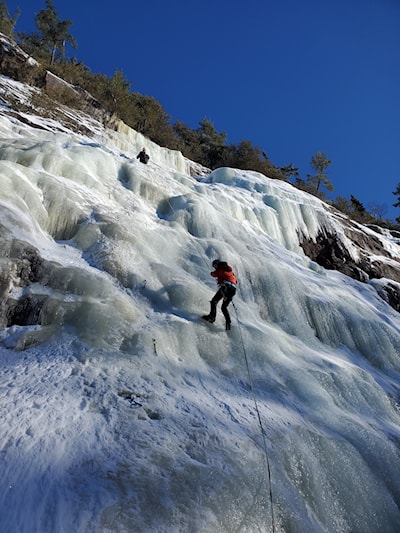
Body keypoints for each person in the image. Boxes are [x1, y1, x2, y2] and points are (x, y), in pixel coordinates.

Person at [202, 259, 237, 330]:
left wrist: (212, 273)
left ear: (217, 264)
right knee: (224, 307)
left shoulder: (220, 268)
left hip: (225, 287)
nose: (214, 267)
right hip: (233, 289)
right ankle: (228, 323)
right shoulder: (230, 272)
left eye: (214, 265)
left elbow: (214, 274)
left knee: (214, 301)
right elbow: (235, 281)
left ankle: (212, 317)